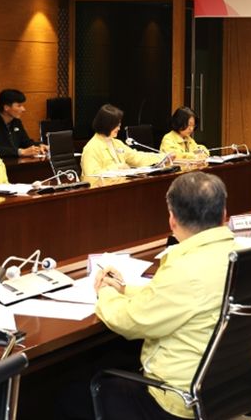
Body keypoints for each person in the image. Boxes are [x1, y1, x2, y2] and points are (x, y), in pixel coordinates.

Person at [94, 172, 237, 419]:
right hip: (224, 386)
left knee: (67, 396)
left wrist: (105, 292)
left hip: (177, 398)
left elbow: (130, 321)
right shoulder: (238, 254)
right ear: (224, 213)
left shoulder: (186, 269)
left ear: (172, 219)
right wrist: (123, 289)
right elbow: (172, 296)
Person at [81, 104, 164, 177]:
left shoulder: (117, 143)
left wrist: (162, 157)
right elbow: (91, 175)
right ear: (106, 125)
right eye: (116, 125)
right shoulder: (91, 148)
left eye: (119, 125)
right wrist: (117, 167)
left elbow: (136, 157)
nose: (119, 128)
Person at [0, 89, 47, 158]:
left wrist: (38, 146)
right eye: (19, 106)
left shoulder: (16, 121)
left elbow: (25, 142)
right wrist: (19, 152)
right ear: (6, 107)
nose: (23, 109)